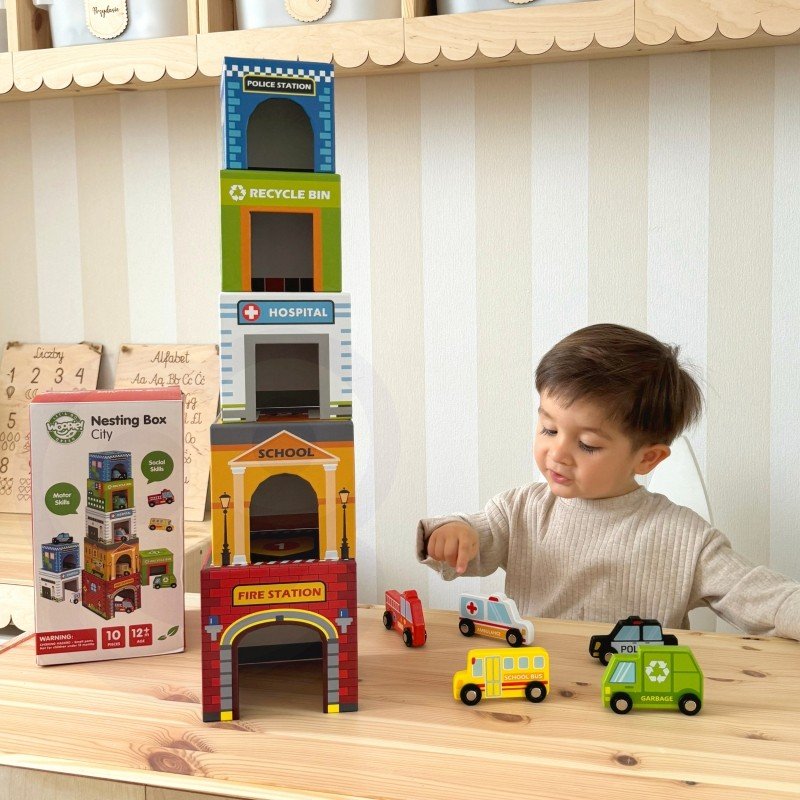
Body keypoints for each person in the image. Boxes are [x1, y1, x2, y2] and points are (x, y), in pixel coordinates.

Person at [417, 323, 800, 638]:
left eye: (587, 444)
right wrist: (453, 531)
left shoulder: (685, 539)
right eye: (549, 429)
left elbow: (759, 595)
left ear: (647, 457)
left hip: (639, 703)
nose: (558, 453)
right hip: (538, 690)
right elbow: (477, 535)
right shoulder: (521, 510)